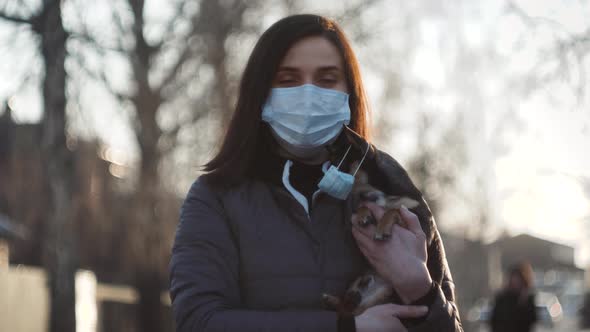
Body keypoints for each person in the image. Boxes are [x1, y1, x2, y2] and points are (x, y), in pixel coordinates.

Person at [169, 14, 463, 332]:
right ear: (261, 93)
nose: (307, 94)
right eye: (288, 79)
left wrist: (418, 286)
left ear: (349, 94)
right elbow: (199, 321)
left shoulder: (391, 191)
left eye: (326, 79)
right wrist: (346, 328)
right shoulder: (216, 197)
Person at [489, 262, 537, 332]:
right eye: (514, 278)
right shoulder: (502, 297)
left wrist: (523, 303)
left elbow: (532, 320)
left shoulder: (527, 298)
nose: (516, 282)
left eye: (518, 279)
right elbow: (494, 320)